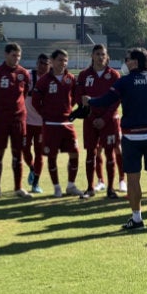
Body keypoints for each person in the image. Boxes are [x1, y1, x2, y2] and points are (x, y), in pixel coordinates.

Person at [85, 47, 147, 229]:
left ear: (134, 62)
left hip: (131, 137)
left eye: (127, 59)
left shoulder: (124, 82)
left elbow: (106, 100)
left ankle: (137, 219)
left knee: (133, 179)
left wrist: (90, 101)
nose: (125, 62)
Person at [31, 49, 83, 197]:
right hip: (50, 125)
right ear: (52, 61)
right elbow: (35, 101)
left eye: (65, 60)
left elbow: (74, 97)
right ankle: (57, 187)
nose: (63, 63)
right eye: (60, 60)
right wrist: (46, 114)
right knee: (51, 156)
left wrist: (68, 110)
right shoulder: (44, 80)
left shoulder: (71, 79)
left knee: (75, 153)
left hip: (67, 123)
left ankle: (71, 186)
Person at [0, 42, 33, 200]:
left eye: (18, 55)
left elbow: (24, 94)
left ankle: (18, 187)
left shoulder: (23, 73)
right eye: (13, 55)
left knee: (17, 154)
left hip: (19, 120)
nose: (16, 58)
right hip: (1, 120)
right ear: (6, 55)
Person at [75, 44, 122, 198]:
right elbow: (79, 97)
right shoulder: (83, 75)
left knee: (110, 153)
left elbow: (116, 100)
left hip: (108, 121)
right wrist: (92, 116)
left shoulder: (114, 75)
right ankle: (90, 188)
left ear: (107, 57)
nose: (100, 57)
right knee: (91, 153)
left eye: (103, 54)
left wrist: (104, 118)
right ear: (92, 56)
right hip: (90, 120)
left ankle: (111, 188)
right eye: (97, 54)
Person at [23, 54, 49, 194]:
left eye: (45, 63)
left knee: (39, 153)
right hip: (26, 121)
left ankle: (36, 183)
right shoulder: (28, 76)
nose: (42, 66)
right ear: (36, 63)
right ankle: (32, 169)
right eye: (40, 63)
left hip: (41, 123)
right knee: (25, 149)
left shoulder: (50, 80)